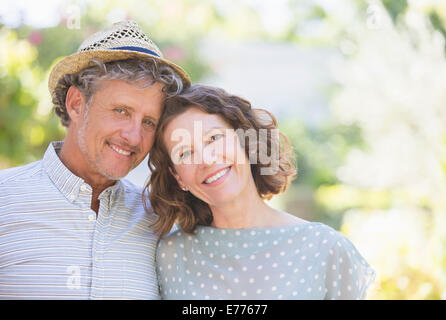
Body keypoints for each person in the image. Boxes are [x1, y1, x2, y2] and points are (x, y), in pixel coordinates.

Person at [0, 20, 190, 299]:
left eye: (149, 121)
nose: (134, 137)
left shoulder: (160, 221)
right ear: (76, 103)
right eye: (121, 111)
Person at [148, 84, 376, 300]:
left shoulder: (324, 248)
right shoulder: (170, 255)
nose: (207, 160)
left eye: (214, 138)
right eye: (185, 153)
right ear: (178, 177)